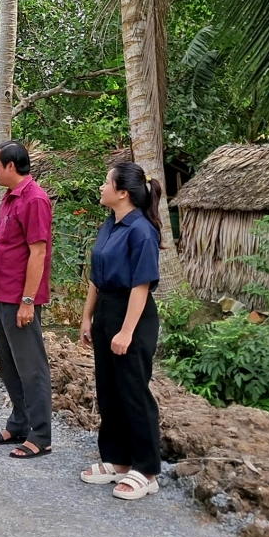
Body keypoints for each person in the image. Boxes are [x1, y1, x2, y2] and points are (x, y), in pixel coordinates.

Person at [78, 161, 163, 500]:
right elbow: (96, 278)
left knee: (133, 391)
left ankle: (147, 469)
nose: (101, 187)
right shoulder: (109, 226)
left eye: (106, 181)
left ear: (122, 192)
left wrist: (127, 332)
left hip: (134, 315)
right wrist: (87, 318)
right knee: (108, 389)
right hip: (107, 312)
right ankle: (119, 461)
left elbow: (142, 285)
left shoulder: (141, 231)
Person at [0, 141, 55, 459]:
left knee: (31, 366)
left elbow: (38, 252)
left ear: (11, 166)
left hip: (17, 297)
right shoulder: (9, 198)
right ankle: (19, 423)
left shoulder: (35, 199)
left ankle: (41, 435)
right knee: (9, 363)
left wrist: (27, 300)